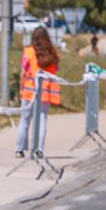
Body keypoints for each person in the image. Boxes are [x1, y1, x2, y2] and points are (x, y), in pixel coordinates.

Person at [16, 26, 63, 158]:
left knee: (24, 121)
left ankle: (19, 149)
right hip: (44, 93)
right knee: (42, 121)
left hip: (28, 92)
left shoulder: (28, 52)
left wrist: (21, 89)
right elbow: (55, 73)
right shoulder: (53, 54)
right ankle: (39, 150)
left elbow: (23, 73)